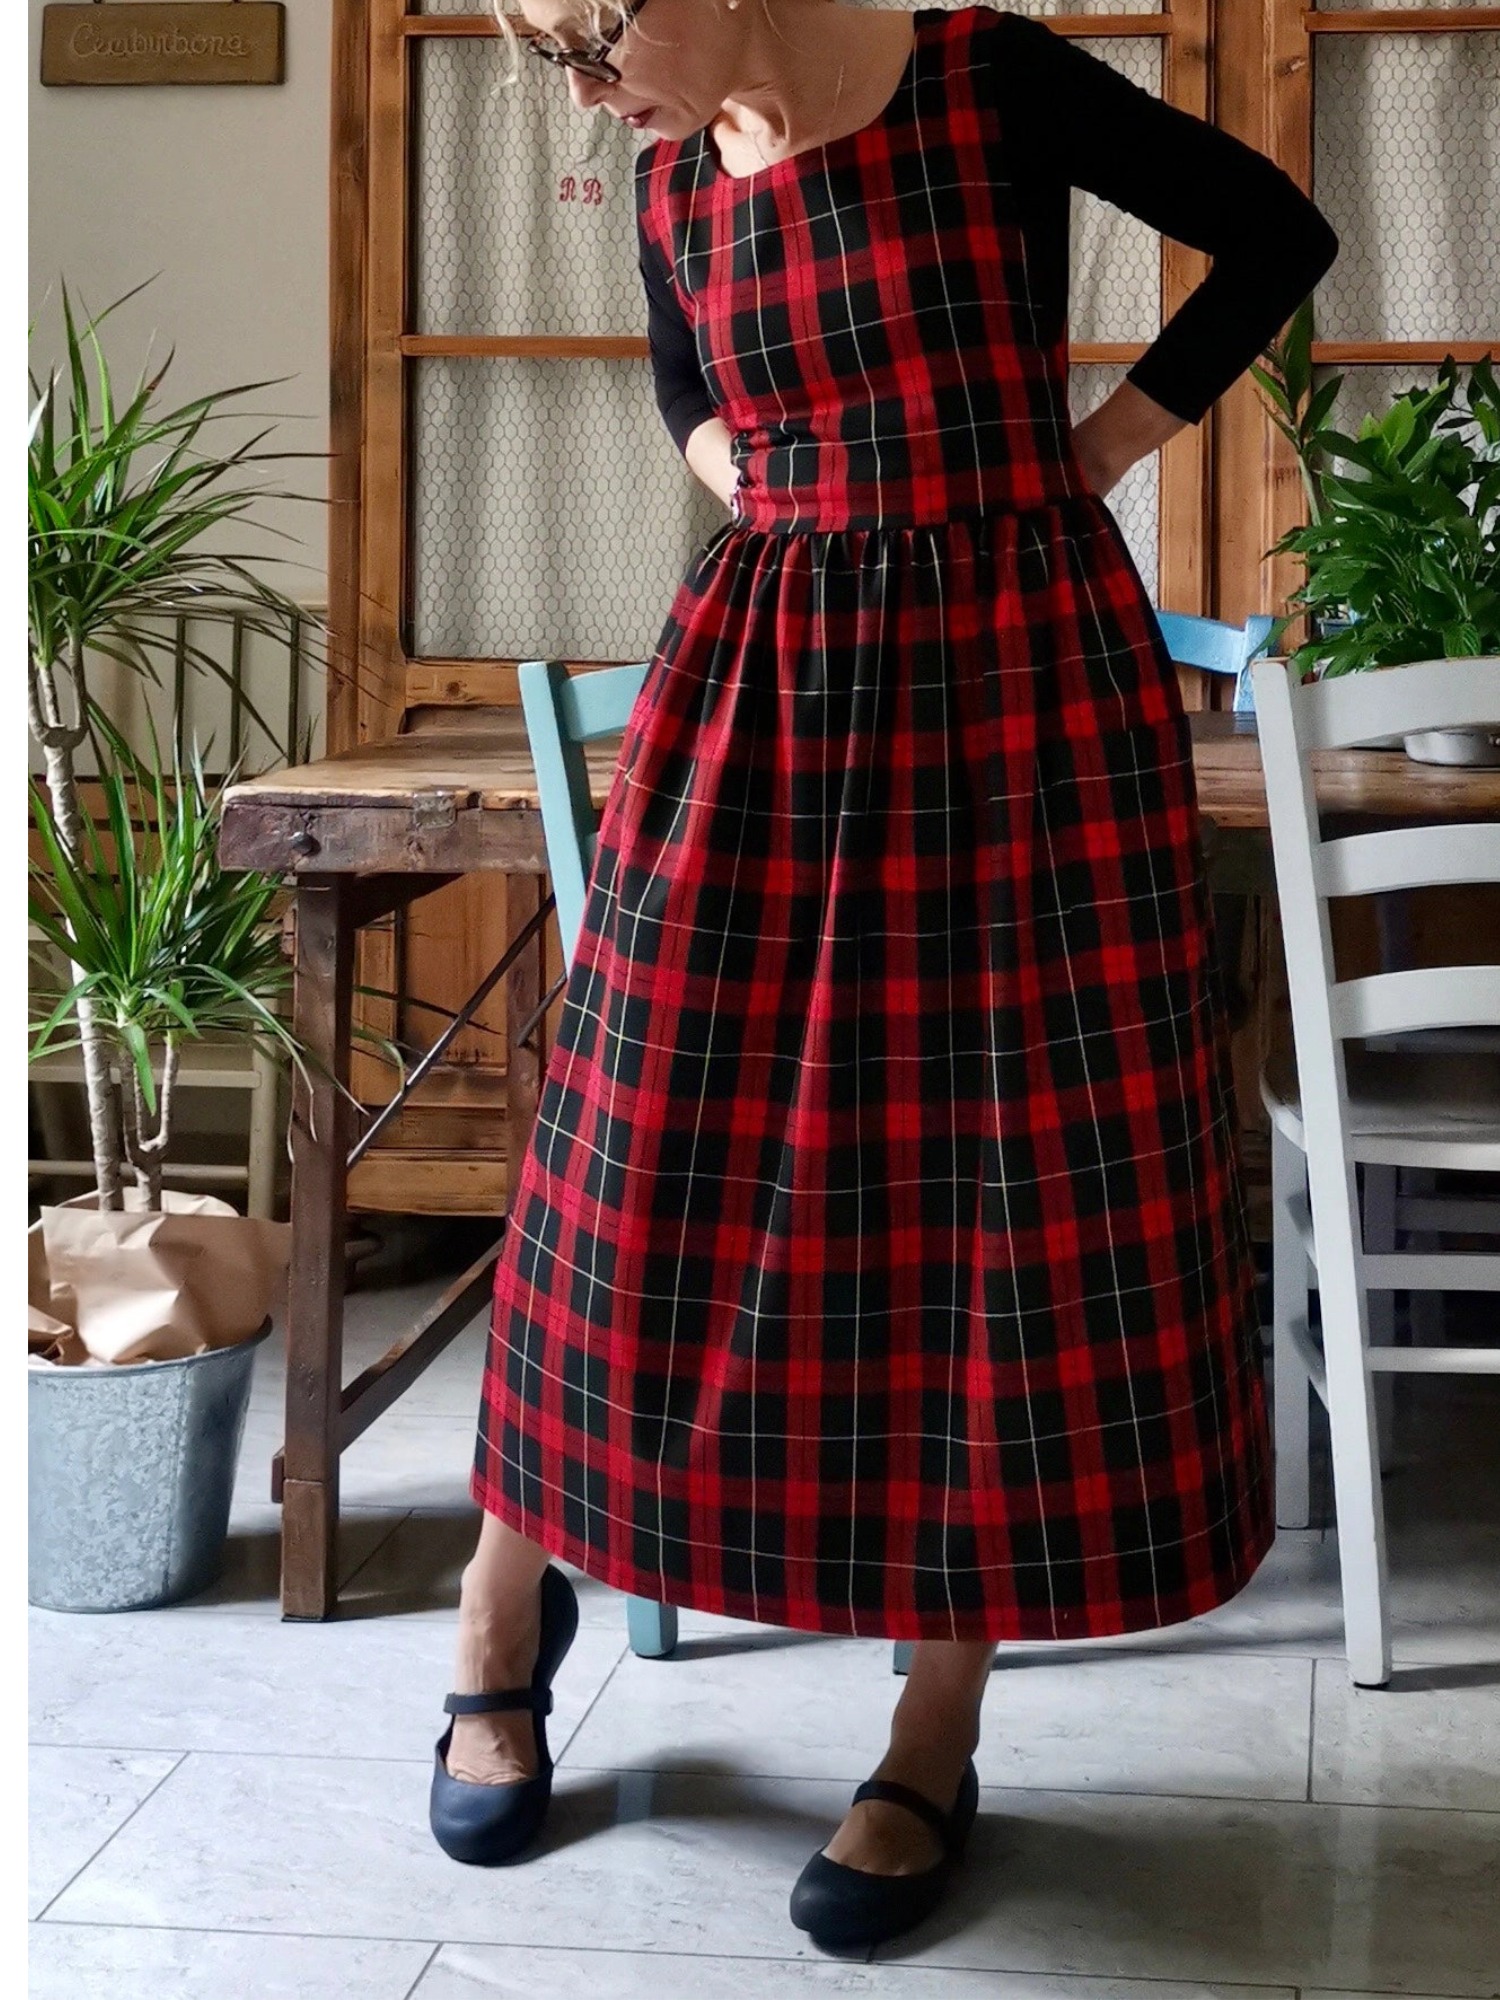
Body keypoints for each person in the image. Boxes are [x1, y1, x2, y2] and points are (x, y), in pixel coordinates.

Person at [429, 0, 1339, 1954]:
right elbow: (683, 373)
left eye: (590, 36)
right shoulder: (673, 175)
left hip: (1013, 682)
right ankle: (501, 1610)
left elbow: (1275, 230)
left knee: (990, 1188)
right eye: (546, 58)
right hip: (762, 683)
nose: (584, 94)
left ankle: (937, 1726)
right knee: (622, 1160)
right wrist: (754, 467)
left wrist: (1093, 449)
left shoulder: (983, 76)